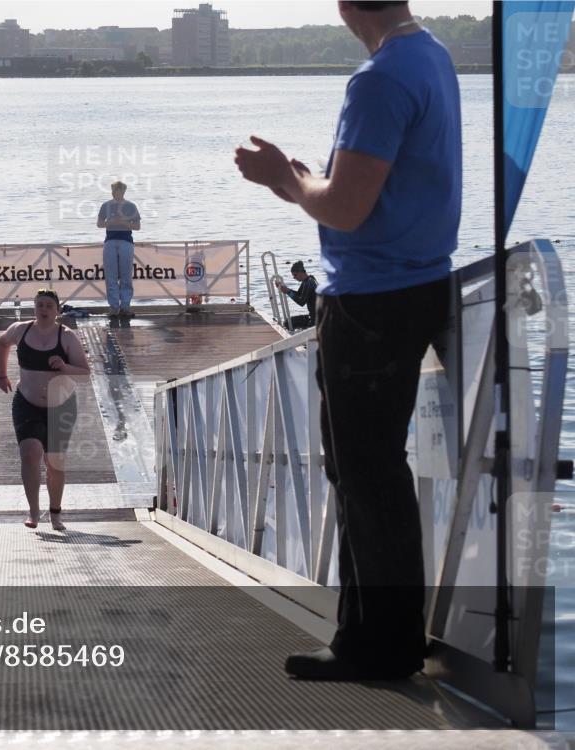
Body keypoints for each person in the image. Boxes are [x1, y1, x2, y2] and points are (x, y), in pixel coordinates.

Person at [234, 0, 460, 681]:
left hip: (371, 301)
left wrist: (288, 178)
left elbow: (347, 208)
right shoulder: (432, 56)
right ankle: (378, 636)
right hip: (415, 285)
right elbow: (364, 197)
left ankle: (380, 645)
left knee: (364, 472)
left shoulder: (381, 77)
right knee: (374, 471)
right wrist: (303, 186)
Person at [0, 290, 91, 531]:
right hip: (26, 401)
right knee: (30, 453)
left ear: (57, 310)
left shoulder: (67, 337)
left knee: (54, 462)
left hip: (61, 406)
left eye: (49, 305)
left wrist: (65, 366)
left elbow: (85, 372)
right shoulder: (21, 330)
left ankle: (55, 513)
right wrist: (2, 374)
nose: (44, 309)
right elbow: (2, 342)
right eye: (40, 305)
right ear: (34, 308)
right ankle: (34, 511)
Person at [97, 181, 141, 317]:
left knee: (126, 275)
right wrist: (110, 223)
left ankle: (125, 306)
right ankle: (114, 307)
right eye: (114, 190)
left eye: (118, 190)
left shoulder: (131, 206)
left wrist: (124, 223)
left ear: (123, 191)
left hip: (126, 241)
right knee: (110, 275)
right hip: (110, 240)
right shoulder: (106, 205)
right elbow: (99, 224)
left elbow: (137, 226)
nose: (115, 193)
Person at [276, 260, 318, 329]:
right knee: (287, 322)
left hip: (316, 319)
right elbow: (298, 294)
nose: (294, 277)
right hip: (314, 316)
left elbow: (301, 302)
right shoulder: (308, 280)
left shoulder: (309, 283)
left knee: (287, 324)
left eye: (295, 275)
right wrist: (286, 289)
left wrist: (288, 292)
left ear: (301, 272)